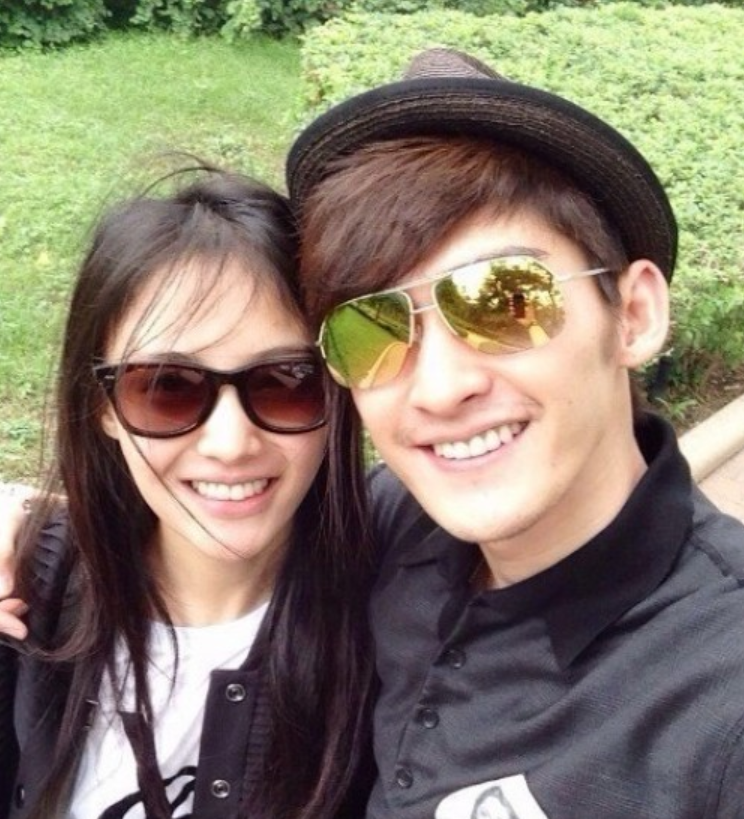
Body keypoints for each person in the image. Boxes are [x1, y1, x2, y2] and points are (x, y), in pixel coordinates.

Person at [285, 48, 744, 817]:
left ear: (633, 315)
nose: (440, 388)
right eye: (371, 331)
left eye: (503, 301)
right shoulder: (391, 522)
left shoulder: (720, 696)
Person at [0, 165, 374, 818]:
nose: (230, 443)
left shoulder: (396, 618)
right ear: (103, 406)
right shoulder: (27, 595)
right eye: (166, 387)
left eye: (287, 381)